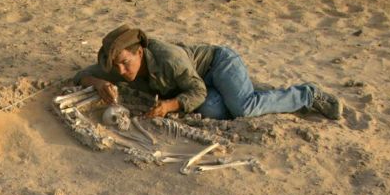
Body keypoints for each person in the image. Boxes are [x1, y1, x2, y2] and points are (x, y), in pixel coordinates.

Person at [75, 25, 344, 121]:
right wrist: (98, 82)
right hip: (197, 82)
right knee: (213, 111)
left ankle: (307, 95)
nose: (121, 71)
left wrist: (169, 106)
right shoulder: (117, 65)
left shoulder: (170, 59)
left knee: (244, 109)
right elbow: (81, 75)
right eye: (116, 67)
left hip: (219, 64)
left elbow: (197, 90)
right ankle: (244, 91)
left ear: (140, 53)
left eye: (125, 63)